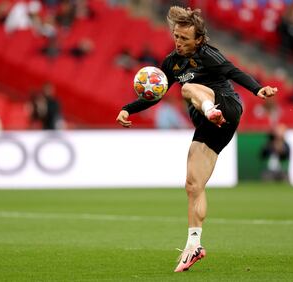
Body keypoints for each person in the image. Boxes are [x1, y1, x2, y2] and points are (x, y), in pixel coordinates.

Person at [115, 6, 277, 272]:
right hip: (210, 126)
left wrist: (258, 88)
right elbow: (156, 93)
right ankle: (194, 245)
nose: (178, 42)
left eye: (184, 38)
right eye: (176, 36)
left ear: (198, 40)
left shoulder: (209, 54)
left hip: (226, 106)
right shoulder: (171, 63)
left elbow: (234, 72)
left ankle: (210, 109)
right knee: (193, 184)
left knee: (188, 88)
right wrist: (127, 108)